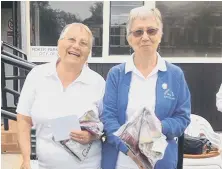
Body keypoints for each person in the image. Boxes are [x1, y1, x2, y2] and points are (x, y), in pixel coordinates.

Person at [101, 6, 191, 169]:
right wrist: (129, 150)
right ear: (129, 38)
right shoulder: (116, 74)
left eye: (151, 31)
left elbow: (182, 118)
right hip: (121, 162)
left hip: (161, 163)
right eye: (138, 32)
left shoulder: (175, 75)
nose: (145, 37)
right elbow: (108, 118)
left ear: (160, 35)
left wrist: (159, 127)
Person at [16, 23, 105, 169]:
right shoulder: (37, 75)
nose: (76, 46)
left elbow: (106, 124)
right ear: (59, 43)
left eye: (83, 43)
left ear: (89, 52)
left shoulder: (98, 83)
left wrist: (92, 135)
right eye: (71, 39)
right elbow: (23, 119)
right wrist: (26, 160)